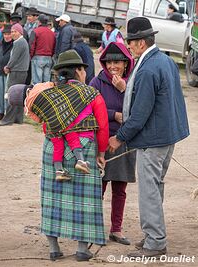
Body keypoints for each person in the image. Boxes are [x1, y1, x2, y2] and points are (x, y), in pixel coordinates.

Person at [8, 49, 109, 262]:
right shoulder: (92, 94)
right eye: (83, 69)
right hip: (84, 149)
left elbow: (45, 125)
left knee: (52, 198)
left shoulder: (48, 93)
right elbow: (102, 127)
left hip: (54, 150)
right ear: (79, 71)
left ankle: (54, 248)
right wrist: (101, 153)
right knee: (84, 200)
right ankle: (82, 249)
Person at [108, 17, 189, 258]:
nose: (128, 47)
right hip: (167, 135)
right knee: (155, 186)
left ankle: (155, 241)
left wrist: (119, 137)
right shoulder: (164, 60)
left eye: (130, 42)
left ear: (141, 43)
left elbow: (140, 114)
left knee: (149, 190)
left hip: (153, 139)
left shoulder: (148, 68)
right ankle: (153, 235)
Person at [90, 42, 136, 245]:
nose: (112, 66)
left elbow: (140, 109)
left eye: (117, 62)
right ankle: (93, 229)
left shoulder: (134, 82)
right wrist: (112, 115)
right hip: (101, 142)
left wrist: (124, 89)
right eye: (109, 62)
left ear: (126, 64)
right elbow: (87, 107)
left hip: (124, 141)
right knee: (97, 187)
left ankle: (116, 229)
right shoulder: (97, 82)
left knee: (120, 189)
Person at [0, 23, 30, 127]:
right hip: (22, 71)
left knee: (12, 95)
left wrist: (8, 67)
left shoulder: (19, 42)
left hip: (17, 71)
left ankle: (7, 120)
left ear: (20, 32)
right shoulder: (23, 41)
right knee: (19, 95)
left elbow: (14, 58)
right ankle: (18, 118)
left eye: (14, 31)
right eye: (12, 31)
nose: (12, 33)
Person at [29, 14, 55, 84]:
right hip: (49, 58)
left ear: (39, 22)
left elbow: (31, 46)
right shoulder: (52, 33)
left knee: (37, 82)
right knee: (46, 83)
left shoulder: (35, 31)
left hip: (38, 57)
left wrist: (30, 56)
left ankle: (37, 95)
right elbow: (54, 46)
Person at [0, 24, 13, 120]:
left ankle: (7, 112)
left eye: (8, 34)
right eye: (5, 34)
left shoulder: (14, 45)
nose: (6, 36)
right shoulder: (0, 44)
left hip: (9, 72)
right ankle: (0, 111)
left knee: (7, 93)